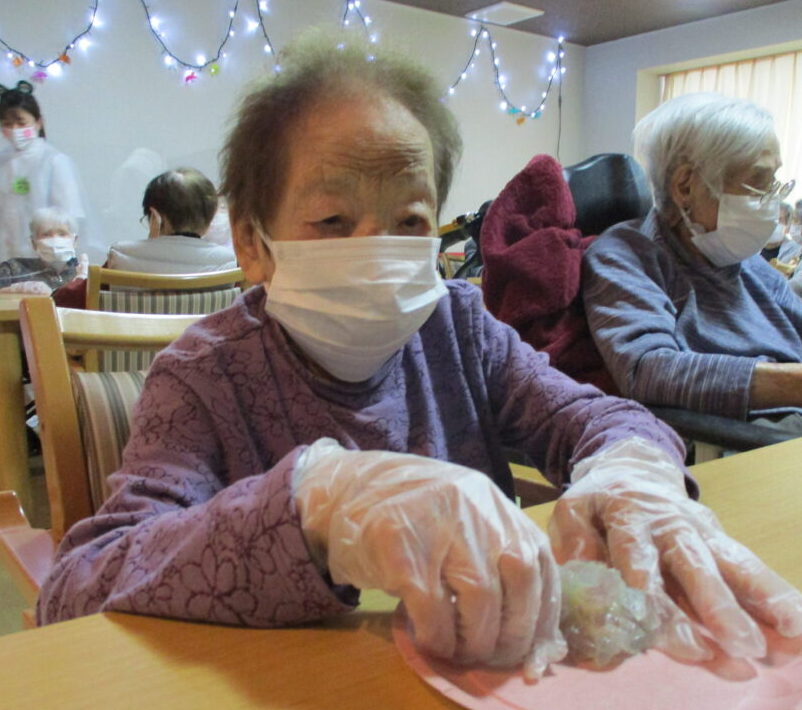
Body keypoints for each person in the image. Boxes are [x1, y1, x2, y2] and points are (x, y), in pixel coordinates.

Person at [37, 34, 802, 679]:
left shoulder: (458, 326)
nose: (377, 249)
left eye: (410, 220)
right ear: (250, 243)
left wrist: (633, 469)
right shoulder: (204, 377)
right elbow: (77, 585)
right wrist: (318, 508)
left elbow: (588, 415)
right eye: (333, 218)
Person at [583, 93, 802, 430]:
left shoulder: (749, 266)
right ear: (685, 186)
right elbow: (646, 371)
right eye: (758, 184)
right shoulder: (627, 256)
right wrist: (792, 385)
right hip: (744, 443)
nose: (772, 202)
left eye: (774, 183)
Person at [0, 81, 86, 262]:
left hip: (46, 255)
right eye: (7, 124)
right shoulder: (3, 161)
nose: (14, 129)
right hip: (7, 254)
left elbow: (70, 215)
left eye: (21, 122)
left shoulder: (54, 161)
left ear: (38, 122)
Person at [105, 167, 237, 273]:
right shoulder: (228, 263)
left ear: (155, 217)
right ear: (211, 217)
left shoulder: (120, 256)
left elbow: (88, 299)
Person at [0, 206, 86, 294]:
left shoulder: (82, 274)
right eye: (46, 234)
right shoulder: (12, 268)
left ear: (74, 241)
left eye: (62, 234)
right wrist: (15, 290)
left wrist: (82, 283)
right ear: (34, 243)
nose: (55, 239)